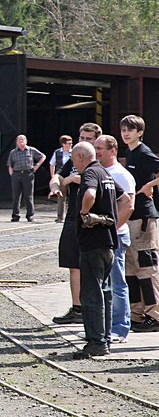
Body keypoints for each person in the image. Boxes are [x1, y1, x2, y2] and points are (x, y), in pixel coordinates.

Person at [70, 141, 128, 358]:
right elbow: (125, 199)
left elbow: (90, 195)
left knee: (91, 294)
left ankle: (96, 342)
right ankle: (104, 339)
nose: (74, 165)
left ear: (81, 157)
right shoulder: (105, 173)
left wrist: (85, 214)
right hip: (109, 243)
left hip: (93, 244)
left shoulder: (90, 174)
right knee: (105, 293)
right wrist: (113, 222)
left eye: (75, 160)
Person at [50, 123, 103, 324]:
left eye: (89, 139)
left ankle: (95, 310)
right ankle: (77, 308)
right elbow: (59, 176)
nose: (84, 142)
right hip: (72, 216)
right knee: (73, 263)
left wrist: (75, 180)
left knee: (93, 265)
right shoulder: (74, 159)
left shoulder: (98, 161)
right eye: (82, 138)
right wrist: (57, 184)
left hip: (92, 217)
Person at [119, 114, 159, 333]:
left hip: (143, 217)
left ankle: (154, 314)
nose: (126, 133)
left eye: (130, 130)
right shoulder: (129, 152)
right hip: (131, 217)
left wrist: (150, 185)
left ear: (140, 132)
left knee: (147, 267)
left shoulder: (144, 153)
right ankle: (136, 313)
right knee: (131, 269)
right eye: (124, 129)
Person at [94, 134, 134, 342]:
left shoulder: (121, 175)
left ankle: (120, 327)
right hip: (104, 237)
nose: (96, 151)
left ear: (113, 150)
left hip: (116, 237)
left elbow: (128, 205)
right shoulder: (98, 171)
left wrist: (111, 229)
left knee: (117, 283)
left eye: (100, 148)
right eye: (95, 147)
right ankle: (106, 327)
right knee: (104, 284)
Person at [7, 134, 45, 222]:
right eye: (19, 140)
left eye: (22, 140)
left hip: (28, 174)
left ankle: (30, 215)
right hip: (16, 175)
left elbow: (43, 156)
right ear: (16, 142)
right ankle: (15, 215)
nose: (21, 142)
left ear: (26, 141)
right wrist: (12, 174)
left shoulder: (31, 150)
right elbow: (10, 164)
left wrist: (37, 166)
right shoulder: (13, 152)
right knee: (16, 196)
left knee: (29, 196)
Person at [49, 135, 73, 222]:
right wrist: (53, 176)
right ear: (63, 144)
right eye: (68, 143)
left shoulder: (73, 152)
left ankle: (71, 216)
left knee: (73, 196)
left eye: (71, 143)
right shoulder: (57, 152)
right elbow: (52, 164)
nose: (70, 145)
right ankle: (60, 217)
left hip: (71, 176)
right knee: (61, 197)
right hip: (61, 177)